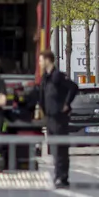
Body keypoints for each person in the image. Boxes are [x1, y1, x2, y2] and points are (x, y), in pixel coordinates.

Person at [33, 50, 80, 188]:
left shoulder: (58, 76)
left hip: (59, 117)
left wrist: (66, 104)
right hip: (49, 117)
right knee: (54, 148)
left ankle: (62, 177)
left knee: (61, 148)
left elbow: (73, 87)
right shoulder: (45, 78)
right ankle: (57, 175)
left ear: (48, 60)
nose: (39, 63)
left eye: (41, 60)